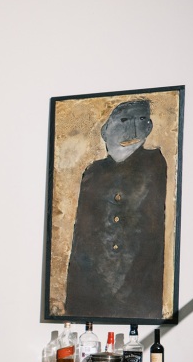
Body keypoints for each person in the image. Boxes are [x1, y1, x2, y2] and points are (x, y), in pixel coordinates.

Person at [65, 99, 167, 320]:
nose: (133, 130)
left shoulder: (155, 164)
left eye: (142, 120)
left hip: (139, 295)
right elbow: (81, 239)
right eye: (123, 121)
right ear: (105, 131)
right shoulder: (94, 172)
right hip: (91, 293)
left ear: (149, 127)